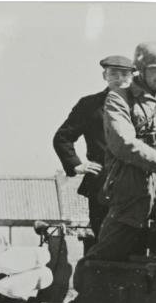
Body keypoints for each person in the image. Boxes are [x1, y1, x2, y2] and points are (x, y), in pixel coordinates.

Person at [80, 41, 156, 273]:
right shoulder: (119, 99)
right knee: (104, 257)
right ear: (141, 68)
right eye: (155, 69)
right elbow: (124, 143)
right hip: (132, 195)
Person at [53, 55, 134, 249]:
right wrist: (77, 165)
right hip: (102, 182)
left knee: (133, 241)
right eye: (114, 73)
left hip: (134, 182)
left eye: (125, 74)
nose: (120, 79)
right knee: (103, 239)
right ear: (104, 75)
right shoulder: (89, 105)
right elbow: (62, 137)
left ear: (132, 78)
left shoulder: (140, 106)